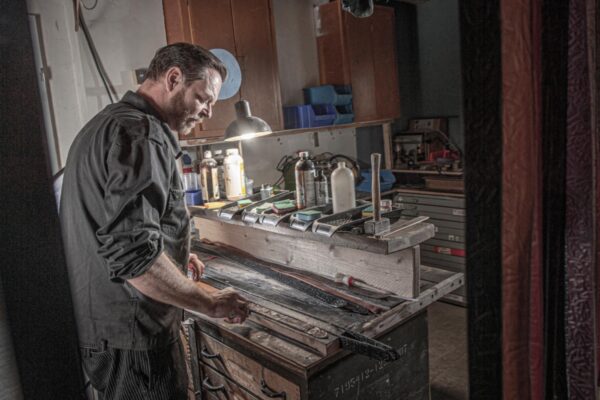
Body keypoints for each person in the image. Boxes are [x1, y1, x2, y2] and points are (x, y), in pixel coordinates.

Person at [59, 43, 249, 400]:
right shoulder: (141, 134)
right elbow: (136, 260)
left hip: (103, 331)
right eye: (204, 98)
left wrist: (175, 258)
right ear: (174, 78)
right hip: (135, 339)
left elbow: (119, 227)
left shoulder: (103, 125)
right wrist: (210, 302)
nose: (207, 112)